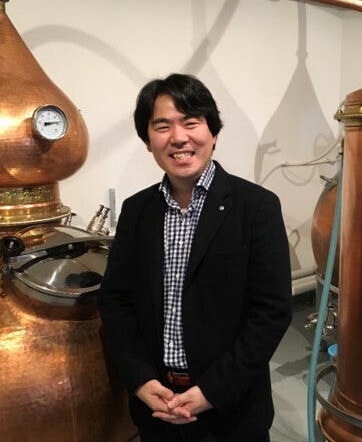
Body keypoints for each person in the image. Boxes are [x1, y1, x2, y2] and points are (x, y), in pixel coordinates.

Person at [98, 73, 292, 442]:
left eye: (191, 122)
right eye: (162, 126)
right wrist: (140, 379)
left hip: (231, 410)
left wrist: (212, 391)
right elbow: (115, 300)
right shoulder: (137, 211)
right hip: (156, 405)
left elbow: (272, 311)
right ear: (147, 141)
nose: (178, 137)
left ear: (213, 132)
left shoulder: (256, 207)